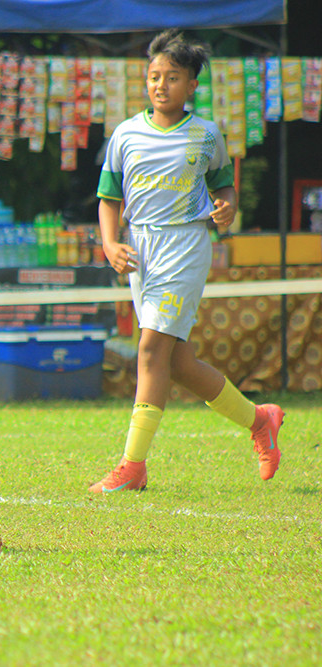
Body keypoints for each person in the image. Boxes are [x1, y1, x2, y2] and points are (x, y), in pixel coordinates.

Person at [91, 30, 283, 493]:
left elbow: (224, 189)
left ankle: (132, 466)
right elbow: (108, 198)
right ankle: (260, 420)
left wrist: (228, 206)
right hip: (141, 252)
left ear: (192, 83)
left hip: (185, 247)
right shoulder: (125, 134)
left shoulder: (205, 135)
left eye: (172, 77)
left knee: (150, 350)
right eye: (154, 76)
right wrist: (110, 244)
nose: (161, 85)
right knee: (175, 362)